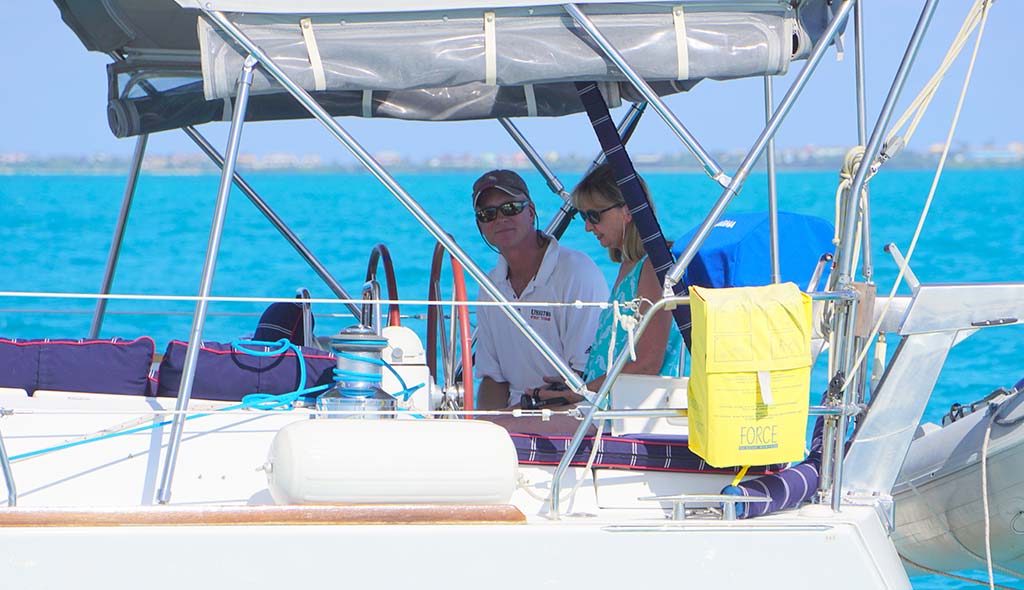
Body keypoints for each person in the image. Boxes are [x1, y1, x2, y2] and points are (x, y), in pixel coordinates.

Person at [530, 164, 681, 406]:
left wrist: (581, 391)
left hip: (632, 411)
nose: (588, 227)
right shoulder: (631, 266)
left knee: (503, 426)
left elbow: (647, 362)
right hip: (611, 402)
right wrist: (578, 383)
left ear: (628, 211)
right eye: (583, 217)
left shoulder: (655, 266)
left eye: (594, 216)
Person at [471, 169, 609, 411]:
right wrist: (487, 425)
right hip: (517, 416)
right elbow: (494, 379)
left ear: (531, 211)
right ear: (480, 225)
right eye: (488, 213)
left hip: (578, 412)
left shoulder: (578, 273)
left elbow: (584, 379)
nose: (500, 219)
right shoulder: (490, 287)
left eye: (511, 208)